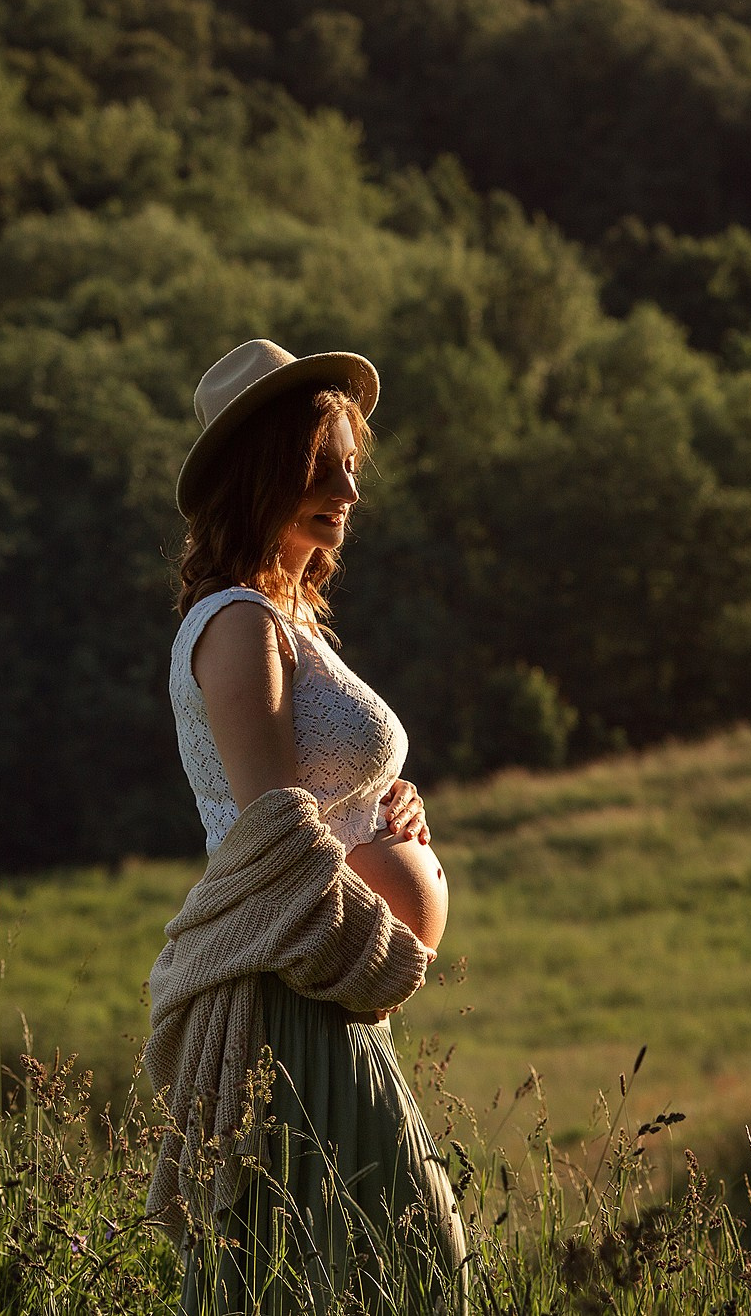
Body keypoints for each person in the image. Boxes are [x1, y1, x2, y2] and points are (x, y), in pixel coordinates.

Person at [147, 338, 468, 1314]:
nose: (345, 492)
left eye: (349, 470)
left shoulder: (286, 620)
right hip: (299, 989)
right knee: (398, 1269)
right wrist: (383, 953)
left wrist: (391, 807)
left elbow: (324, 798)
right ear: (261, 474)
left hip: (323, 990)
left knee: (378, 1268)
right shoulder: (238, 624)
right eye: (318, 468)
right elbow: (276, 837)